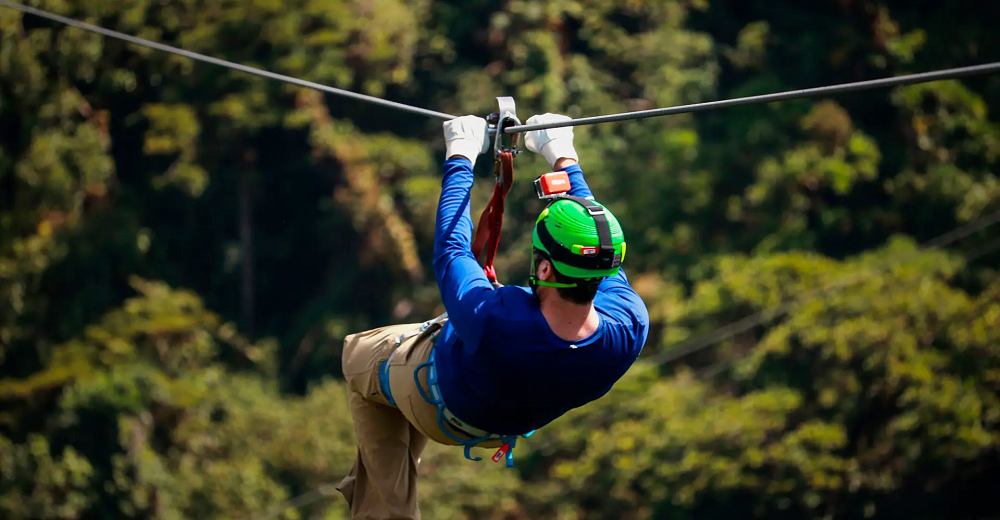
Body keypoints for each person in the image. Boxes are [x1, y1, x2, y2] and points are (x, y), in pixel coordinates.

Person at [335, 113, 649, 519]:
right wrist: (563, 157)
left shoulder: (495, 319)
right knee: (408, 380)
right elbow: (598, 242)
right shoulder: (628, 325)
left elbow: (452, 249)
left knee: (357, 354)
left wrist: (460, 157)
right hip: (499, 426)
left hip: (437, 401)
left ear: (544, 269)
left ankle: (389, 512)